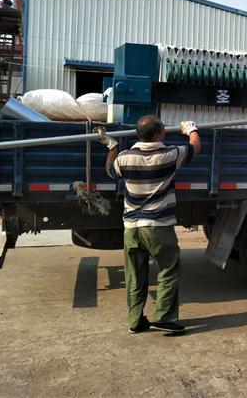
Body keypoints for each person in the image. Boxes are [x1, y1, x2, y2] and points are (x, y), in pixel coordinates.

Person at [99, 115, 201, 333]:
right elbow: (194, 147)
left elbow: (110, 170)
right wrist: (190, 129)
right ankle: (163, 318)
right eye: (162, 129)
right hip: (157, 226)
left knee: (134, 275)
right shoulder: (168, 155)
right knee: (169, 268)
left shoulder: (124, 158)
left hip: (131, 228)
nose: (165, 131)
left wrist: (112, 146)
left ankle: (136, 321)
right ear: (156, 136)